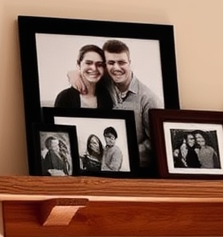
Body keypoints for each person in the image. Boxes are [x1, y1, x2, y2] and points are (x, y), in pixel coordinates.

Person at [69, 40, 161, 168]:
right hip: (103, 162)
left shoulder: (148, 98)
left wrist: (128, 154)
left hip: (135, 168)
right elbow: (86, 71)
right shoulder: (104, 83)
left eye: (122, 62)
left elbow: (157, 143)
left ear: (130, 63)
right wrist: (74, 74)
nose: (116, 68)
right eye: (111, 63)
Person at [54, 45, 114, 112]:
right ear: (78, 65)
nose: (94, 68)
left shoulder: (106, 96)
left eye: (99, 64)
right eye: (88, 63)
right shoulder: (65, 97)